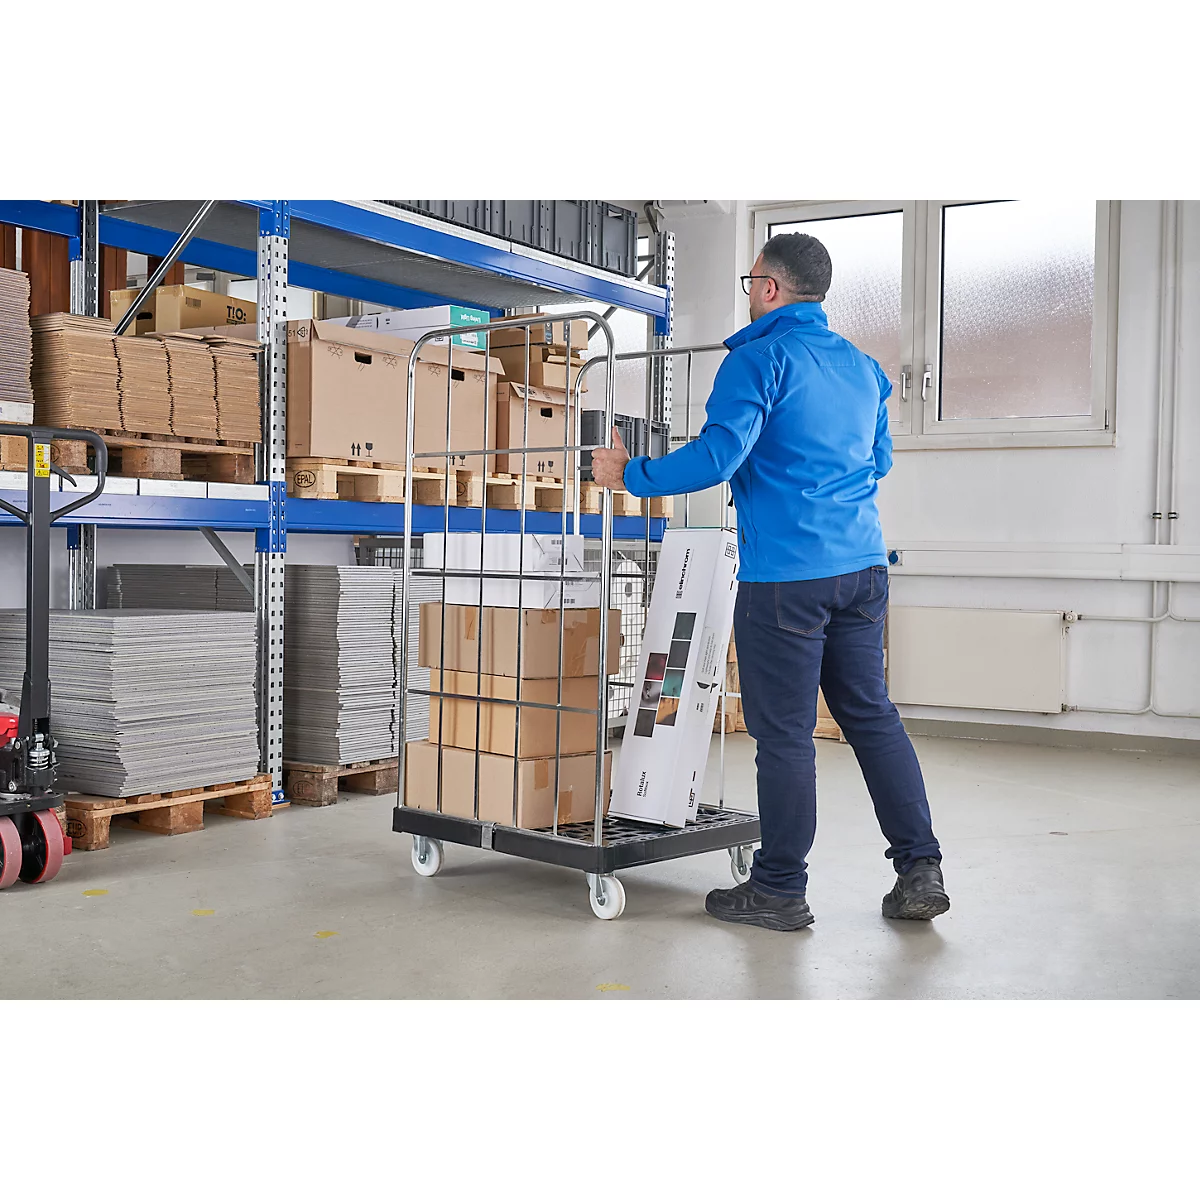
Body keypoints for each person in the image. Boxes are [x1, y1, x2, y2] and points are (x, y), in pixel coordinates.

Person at [589, 232, 948, 932]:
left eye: (752, 279)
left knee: (784, 736)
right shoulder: (863, 368)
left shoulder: (758, 360)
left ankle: (780, 888)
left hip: (786, 579)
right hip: (862, 569)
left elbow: (719, 457)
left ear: (770, 287)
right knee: (872, 718)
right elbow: (877, 464)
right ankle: (920, 869)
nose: (748, 290)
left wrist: (628, 476)